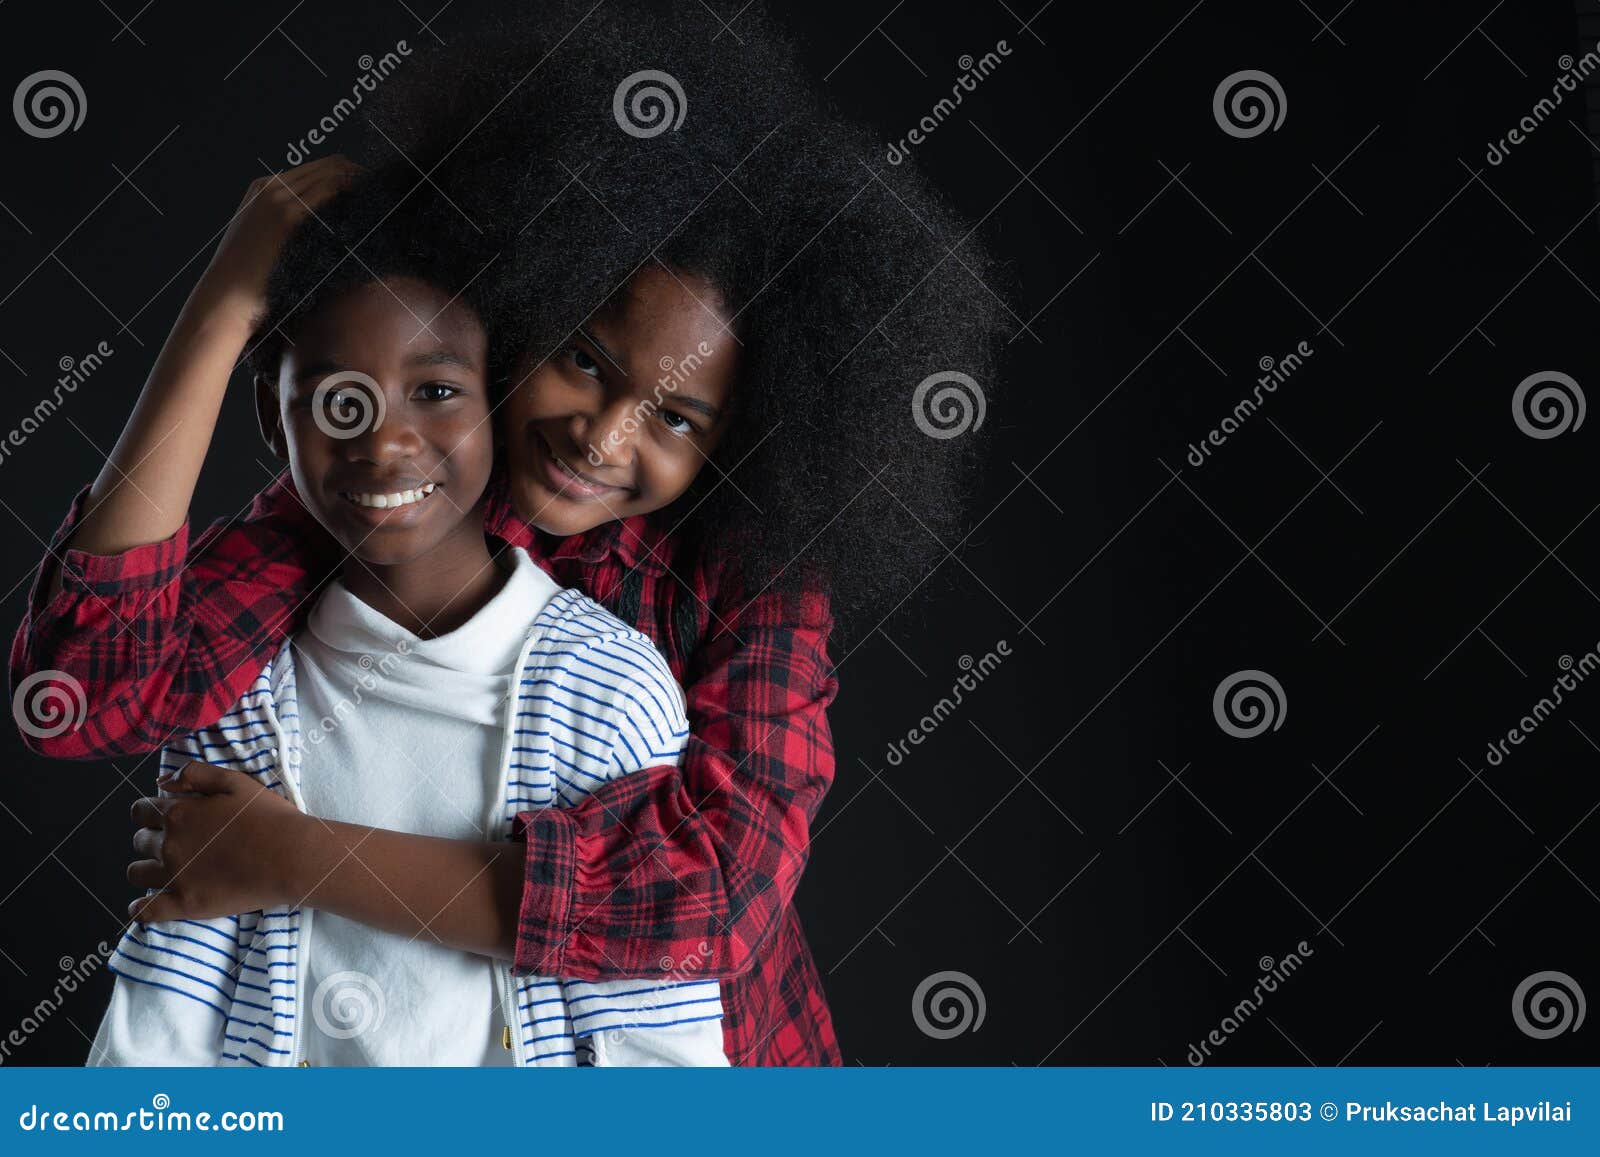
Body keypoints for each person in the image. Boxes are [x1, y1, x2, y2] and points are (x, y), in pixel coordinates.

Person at [11, 1, 1004, 1065]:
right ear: (524, 296)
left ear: (748, 438)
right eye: (585, 359)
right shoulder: (390, 503)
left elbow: (710, 898)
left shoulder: (751, 583)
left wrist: (289, 854)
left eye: (674, 417)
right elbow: (87, 691)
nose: (604, 433)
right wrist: (224, 307)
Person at [89, 166, 728, 1067]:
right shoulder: (241, 695)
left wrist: (291, 852)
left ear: (497, 397)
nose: (383, 440)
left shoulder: (607, 691)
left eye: (434, 391)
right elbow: (166, 1017)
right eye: (333, 399)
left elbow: (659, 1031)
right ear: (274, 427)